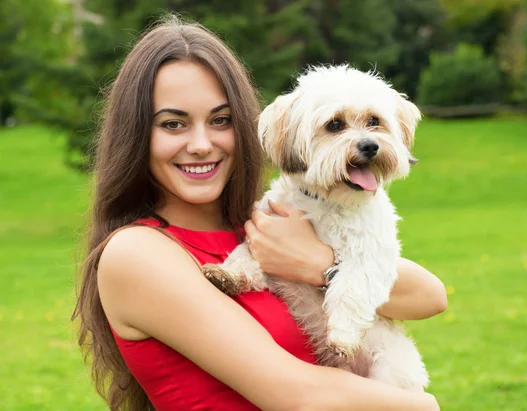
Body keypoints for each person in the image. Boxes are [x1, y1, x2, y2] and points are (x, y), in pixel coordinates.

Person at [72, 16, 447, 411]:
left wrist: (318, 264)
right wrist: (424, 406)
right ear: (137, 135)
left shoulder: (266, 225)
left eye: (221, 120)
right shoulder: (138, 254)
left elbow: (430, 297)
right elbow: (296, 396)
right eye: (173, 124)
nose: (201, 144)